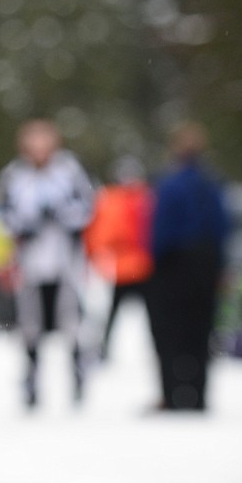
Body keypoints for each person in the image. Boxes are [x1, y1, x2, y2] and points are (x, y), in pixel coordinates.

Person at [0, 119, 95, 408]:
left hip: (65, 262)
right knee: (30, 327)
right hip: (31, 264)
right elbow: (2, 215)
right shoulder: (14, 175)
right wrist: (24, 226)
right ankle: (31, 382)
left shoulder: (69, 171)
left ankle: (78, 376)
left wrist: (63, 215)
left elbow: (88, 208)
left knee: (71, 324)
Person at [146, 121, 231, 411]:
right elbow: (223, 227)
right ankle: (198, 395)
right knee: (201, 332)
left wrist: (156, 264)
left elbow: (160, 230)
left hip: (174, 264)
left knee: (170, 333)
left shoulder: (170, 184)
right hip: (206, 263)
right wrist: (219, 264)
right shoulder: (212, 183)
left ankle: (172, 395)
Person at [83, 155, 153, 362]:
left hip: (139, 268)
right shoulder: (114, 200)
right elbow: (100, 234)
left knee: (148, 316)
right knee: (114, 312)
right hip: (125, 269)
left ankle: (108, 348)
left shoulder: (143, 199)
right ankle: (104, 348)